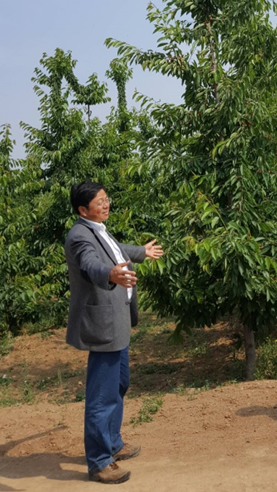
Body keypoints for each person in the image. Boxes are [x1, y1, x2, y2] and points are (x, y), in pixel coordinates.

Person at [65, 180, 163, 484]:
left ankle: (112, 442)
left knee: (119, 384)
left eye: (106, 198)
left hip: (117, 320)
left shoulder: (98, 229)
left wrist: (141, 252)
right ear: (83, 210)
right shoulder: (80, 236)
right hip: (103, 324)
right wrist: (110, 274)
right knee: (102, 396)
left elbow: (115, 250)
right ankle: (99, 462)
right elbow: (91, 263)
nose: (106, 204)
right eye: (100, 202)